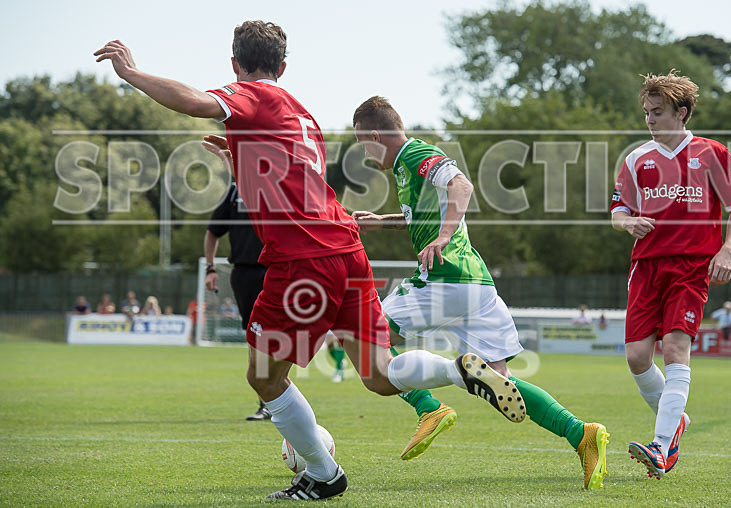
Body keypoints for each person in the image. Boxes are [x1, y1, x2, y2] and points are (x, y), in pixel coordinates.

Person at [96, 22, 520, 501]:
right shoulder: (302, 113)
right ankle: (457, 370)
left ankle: (323, 473)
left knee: (264, 375)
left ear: (236, 65)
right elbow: (285, 178)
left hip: (304, 259)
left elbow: (194, 102)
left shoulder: (252, 95)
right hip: (348, 251)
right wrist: (237, 151)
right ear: (284, 67)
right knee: (379, 375)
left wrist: (131, 73)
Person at [351, 96, 609, 490]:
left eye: (362, 143)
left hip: (444, 278)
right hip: (477, 286)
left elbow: (462, 185)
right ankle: (582, 435)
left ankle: (429, 407)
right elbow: (424, 215)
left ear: (374, 134)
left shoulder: (415, 152)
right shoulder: (406, 170)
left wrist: (442, 236)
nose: (365, 154)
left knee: (362, 336)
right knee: (502, 382)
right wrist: (381, 222)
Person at [610, 71, 731, 479]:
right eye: (646, 113)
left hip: (691, 266)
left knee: (674, 350)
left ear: (682, 113)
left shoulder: (712, 153)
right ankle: (675, 424)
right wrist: (627, 223)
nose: (650, 121)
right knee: (637, 358)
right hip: (646, 267)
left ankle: (660, 447)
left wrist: (727, 250)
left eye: (657, 113)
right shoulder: (637, 159)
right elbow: (617, 212)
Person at [204, 181, 270, 421]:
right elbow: (213, 230)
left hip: (275, 270)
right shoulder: (234, 191)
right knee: (254, 337)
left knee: (274, 335)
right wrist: (210, 268)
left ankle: (278, 397)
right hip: (242, 274)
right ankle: (268, 401)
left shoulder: (279, 185)